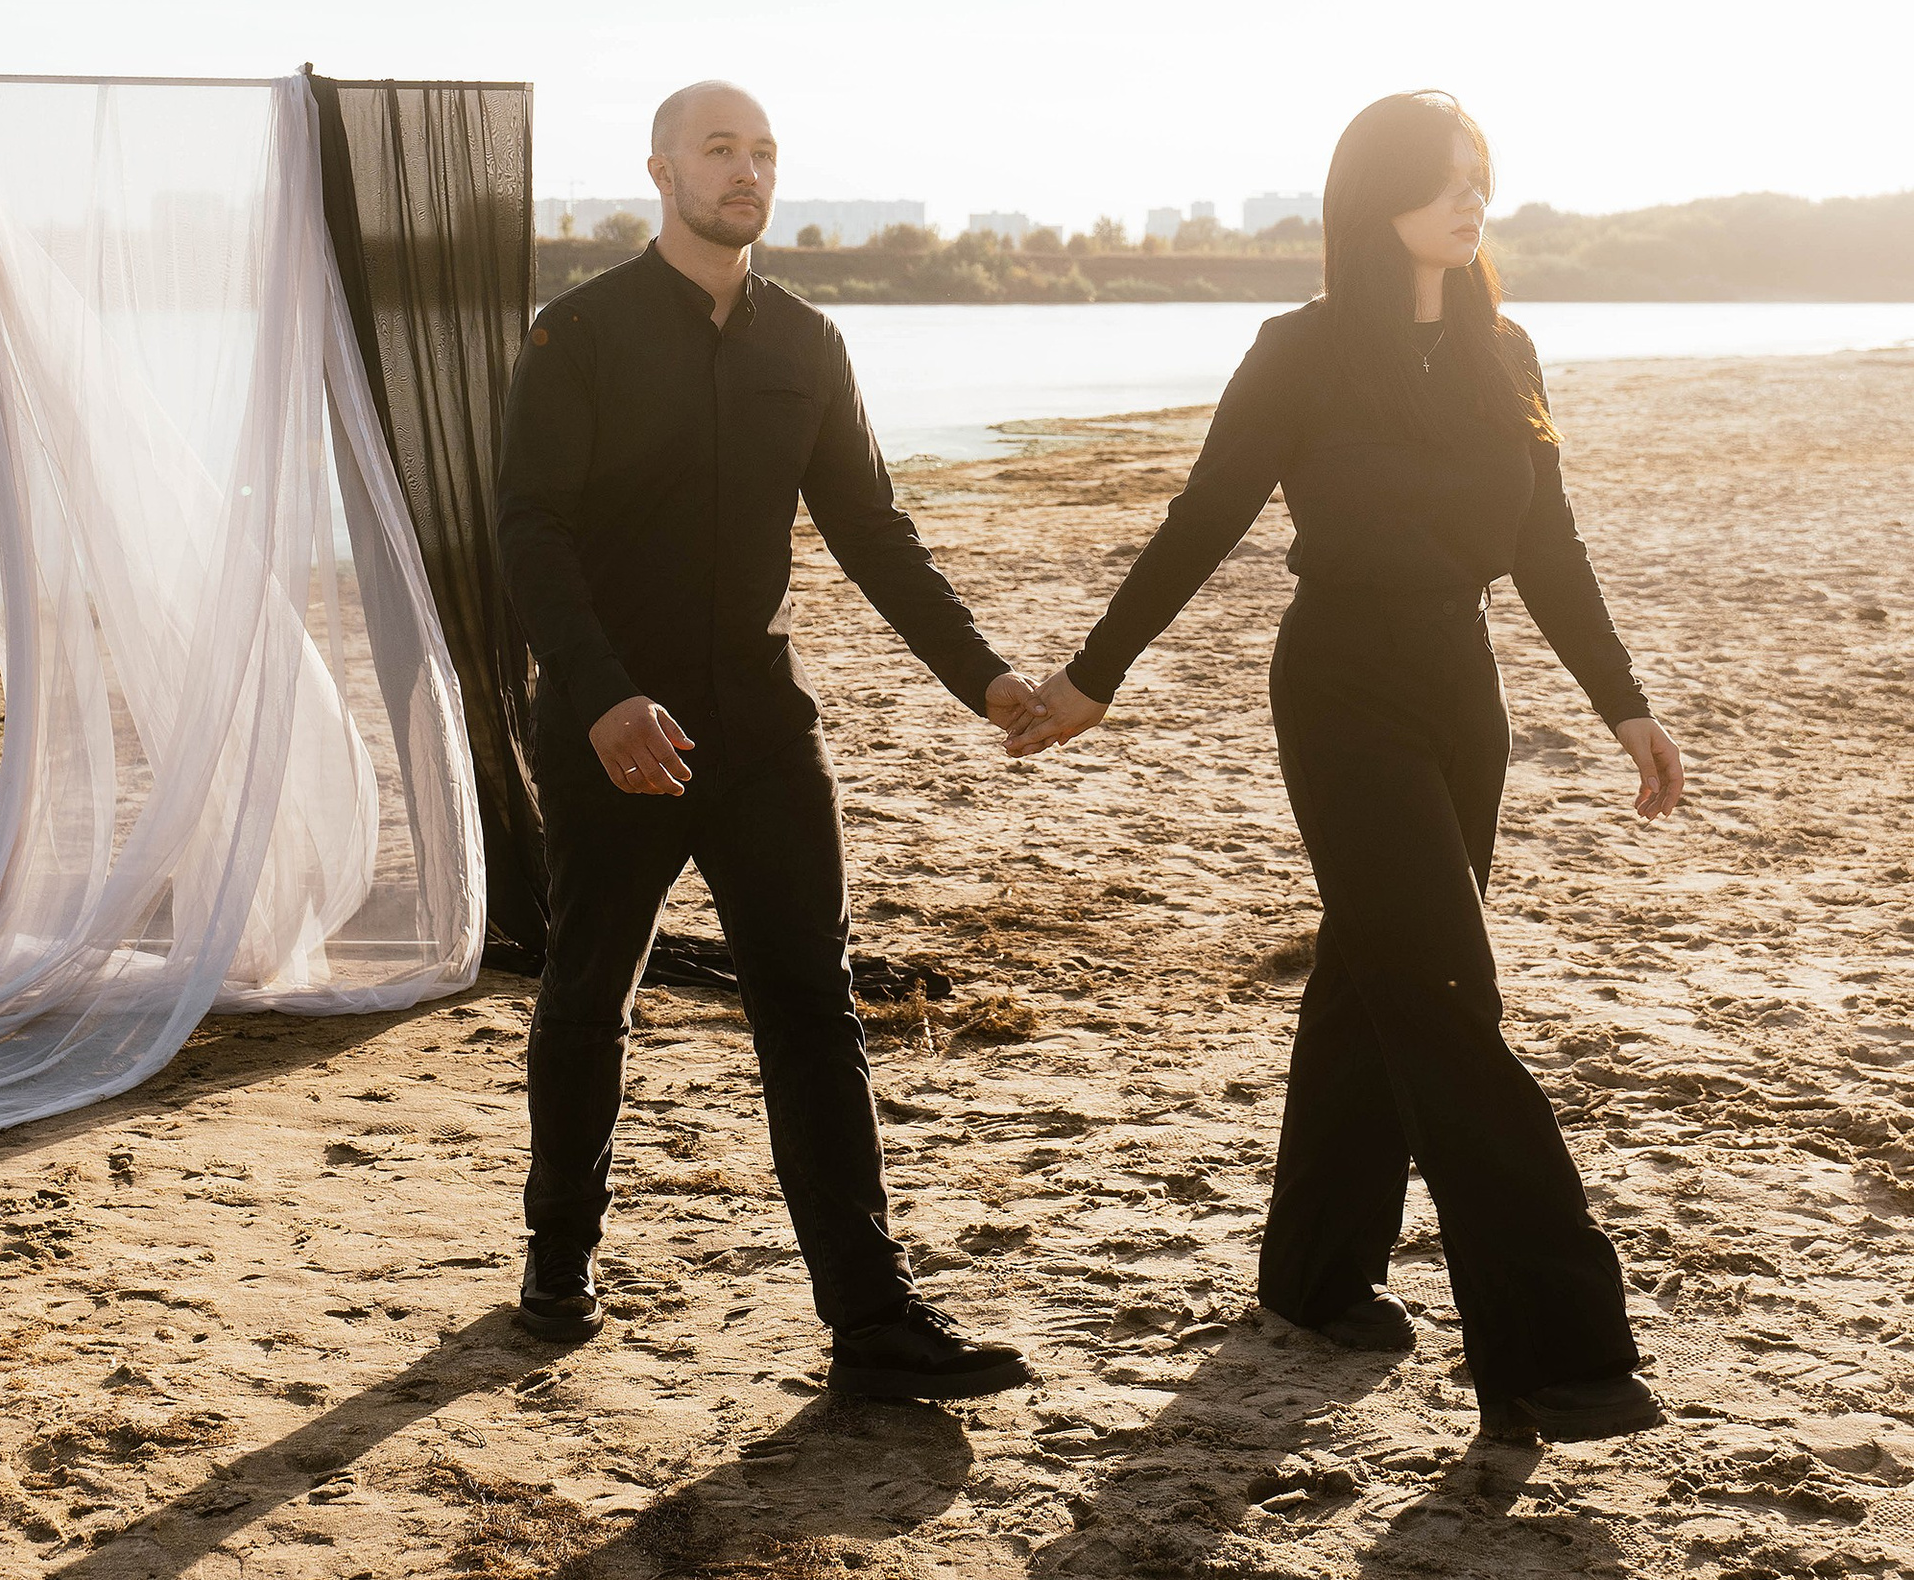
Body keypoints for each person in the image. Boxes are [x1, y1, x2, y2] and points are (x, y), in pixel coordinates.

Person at [1006, 89, 1683, 1447]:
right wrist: (1091, 679)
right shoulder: (1300, 353)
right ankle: (1557, 1354)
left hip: (1463, 692)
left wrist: (1625, 704)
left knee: (1379, 969)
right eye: (1444, 176)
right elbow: (1203, 520)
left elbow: (1549, 547)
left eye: (1479, 174)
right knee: (1447, 987)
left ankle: (1314, 1278)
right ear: (1374, 195)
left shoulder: (1507, 349)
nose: (1470, 196)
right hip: (1343, 688)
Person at [499, 80, 1038, 1400]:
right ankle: (557, 1259)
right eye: (719, 151)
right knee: (591, 986)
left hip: (759, 727)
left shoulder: (807, 340)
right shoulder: (576, 335)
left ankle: (870, 1325)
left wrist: (986, 679)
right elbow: (529, 533)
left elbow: (872, 533)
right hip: (613, 729)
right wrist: (601, 697)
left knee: (812, 1004)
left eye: (764, 154)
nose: (746, 173)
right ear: (660, 171)